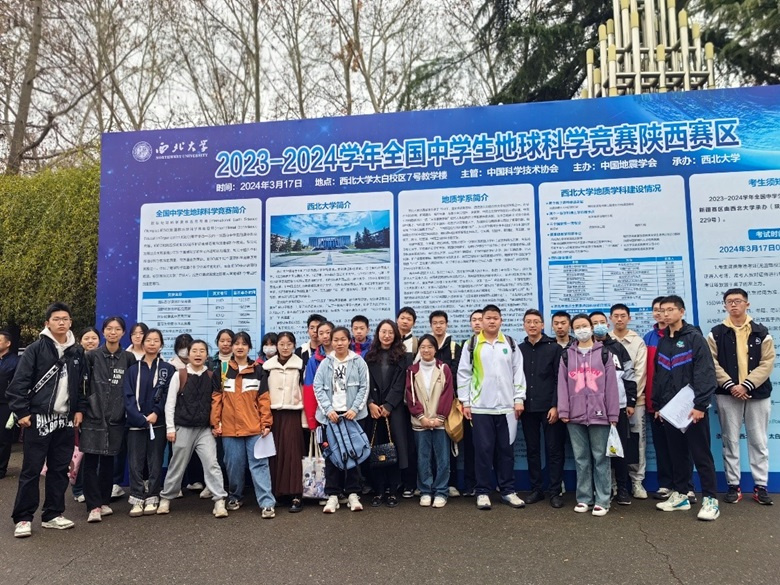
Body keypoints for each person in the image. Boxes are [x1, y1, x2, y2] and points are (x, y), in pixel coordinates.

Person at [8, 302, 88, 538]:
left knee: (60, 469)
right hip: (38, 419)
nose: (61, 322)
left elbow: (82, 385)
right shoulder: (35, 349)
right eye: (56, 319)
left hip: (65, 420)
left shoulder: (77, 352)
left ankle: (53, 514)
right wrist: (22, 412)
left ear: (71, 322)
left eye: (65, 319)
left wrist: (79, 409)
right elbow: (19, 383)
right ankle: (23, 518)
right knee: (31, 470)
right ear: (47, 323)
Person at [653, 295, 720, 521]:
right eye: (663, 310)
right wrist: (658, 405)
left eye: (671, 309)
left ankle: (710, 500)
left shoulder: (694, 338)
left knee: (701, 455)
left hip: (693, 409)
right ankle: (681, 495)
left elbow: (705, 373)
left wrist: (700, 404)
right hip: (670, 411)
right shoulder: (663, 341)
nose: (666, 314)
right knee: (677, 455)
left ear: (682, 312)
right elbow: (659, 376)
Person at [708, 288, 775, 506]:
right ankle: (733, 486)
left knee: (759, 441)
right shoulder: (716, 333)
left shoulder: (761, 332)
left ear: (747, 304)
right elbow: (711, 362)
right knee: (730, 440)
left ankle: (761, 486)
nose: (734, 305)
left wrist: (746, 385)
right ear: (725, 305)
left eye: (738, 301)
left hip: (758, 394)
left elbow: (768, 362)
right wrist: (730, 386)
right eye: (729, 301)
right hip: (728, 394)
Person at [457, 304, 526, 510]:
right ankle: (482, 492)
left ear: (501, 320)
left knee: (506, 451)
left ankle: (508, 491)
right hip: (480, 408)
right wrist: (466, 402)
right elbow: (463, 374)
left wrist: (519, 399)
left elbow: (518, 372)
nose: (492, 321)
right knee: (483, 451)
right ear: (482, 321)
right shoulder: (472, 345)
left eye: (495, 318)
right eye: (488, 318)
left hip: (507, 408)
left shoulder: (510, 344)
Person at [557, 313, 619, 517]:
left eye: (585, 326)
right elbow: (562, 385)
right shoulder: (567, 355)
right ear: (573, 331)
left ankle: (602, 499)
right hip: (574, 416)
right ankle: (584, 498)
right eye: (577, 327)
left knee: (601, 458)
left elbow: (611, 386)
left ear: (592, 328)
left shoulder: (605, 354)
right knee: (581, 459)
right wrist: (564, 410)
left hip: (600, 415)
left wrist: (613, 414)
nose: (582, 330)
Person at [158, 340, 228, 517]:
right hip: (183, 427)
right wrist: (170, 428)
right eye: (194, 351)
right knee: (177, 465)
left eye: (202, 351)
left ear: (207, 355)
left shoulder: (211, 376)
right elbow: (170, 403)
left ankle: (219, 500)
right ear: (188, 354)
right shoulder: (179, 375)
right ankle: (166, 497)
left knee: (212, 463)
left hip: (205, 430)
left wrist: (216, 424)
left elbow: (216, 403)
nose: (198, 354)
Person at [211, 332, 276, 518]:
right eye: (236, 343)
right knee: (234, 465)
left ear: (249, 347)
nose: (240, 347)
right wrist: (215, 423)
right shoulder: (222, 371)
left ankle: (267, 503)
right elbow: (216, 399)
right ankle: (235, 496)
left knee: (259, 465)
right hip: (229, 429)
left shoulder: (258, 370)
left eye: (244, 344)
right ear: (232, 347)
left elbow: (264, 399)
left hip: (254, 427)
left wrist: (266, 423)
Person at [81, 316, 136, 523]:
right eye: (109, 329)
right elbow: (83, 386)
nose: (113, 332)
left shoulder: (128, 358)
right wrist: (84, 408)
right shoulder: (92, 356)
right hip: (93, 415)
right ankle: (92, 505)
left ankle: (104, 502)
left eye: (117, 329)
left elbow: (131, 387)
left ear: (123, 333)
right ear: (103, 332)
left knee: (108, 460)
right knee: (90, 460)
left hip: (116, 417)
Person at [312, 326, 369, 513]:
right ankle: (333, 495)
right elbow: (317, 387)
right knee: (332, 456)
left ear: (349, 341)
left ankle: (353, 493)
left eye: (343, 339)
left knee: (354, 453)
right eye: (335, 340)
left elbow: (364, 387)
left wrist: (355, 409)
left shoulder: (358, 361)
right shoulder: (325, 363)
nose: (339, 343)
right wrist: (328, 410)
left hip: (352, 416)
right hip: (331, 417)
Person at [643, 296, 691, 501]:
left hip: (681, 402)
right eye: (657, 310)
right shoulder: (648, 338)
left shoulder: (686, 336)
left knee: (682, 446)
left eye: (665, 309)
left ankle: (686, 487)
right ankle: (666, 484)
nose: (661, 313)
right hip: (656, 400)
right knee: (661, 445)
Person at [123, 329, 174, 517]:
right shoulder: (132, 369)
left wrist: (156, 413)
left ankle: (152, 495)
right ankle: (137, 497)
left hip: (158, 423)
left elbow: (168, 394)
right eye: (148, 340)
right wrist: (138, 417)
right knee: (135, 462)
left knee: (155, 460)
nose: (152, 344)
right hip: (135, 423)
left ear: (161, 344)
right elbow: (127, 396)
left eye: (156, 340)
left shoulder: (167, 369)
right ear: (142, 343)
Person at [518, 309, 565, 508]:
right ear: (524, 325)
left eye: (536, 322)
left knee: (554, 450)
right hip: (527, 408)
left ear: (543, 325)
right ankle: (536, 490)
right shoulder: (519, 349)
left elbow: (559, 379)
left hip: (549, 408)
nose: (532, 325)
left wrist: (556, 405)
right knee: (532, 450)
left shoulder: (554, 348)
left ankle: (555, 491)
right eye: (528, 322)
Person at [590, 311, 637, 506]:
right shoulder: (584, 348)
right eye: (594, 323)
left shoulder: (617, 347)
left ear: (607, 324)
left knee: (619, 448)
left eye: (602, 322)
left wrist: (631, 401)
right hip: (593, 408)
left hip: (618, 406)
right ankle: (604, 488)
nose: (599, 326)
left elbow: (629, 374)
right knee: (598, 451)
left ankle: (622, 488)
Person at [364, 320, 410, 507]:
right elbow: (364, 382)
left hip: (394, 410)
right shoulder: (369, 356)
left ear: (395, 335)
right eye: (383, 332)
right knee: (376, 449)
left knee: (393, 449)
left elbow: (401, 382)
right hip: (374, 410)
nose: (387, 335)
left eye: (390, 332)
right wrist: (370, 403)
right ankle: (378, 490)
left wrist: (389, 405)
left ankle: (392, 490)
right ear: (378, 334)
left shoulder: (402, 356)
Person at [405, 334, 454, 508]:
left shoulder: (443, 368)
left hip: (440, 422)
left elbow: (448, 394)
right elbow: (410, 396)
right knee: (423, 458)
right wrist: (421, 417)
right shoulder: (412, 370)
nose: (426, 350)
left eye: (430, 347)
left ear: (435, 349)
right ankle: (425, 490)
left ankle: (441, 491)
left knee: (443, 459)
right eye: (423, 347)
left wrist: (439, 417)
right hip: (420, 423)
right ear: (419, 349)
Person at [262, 331, 306, 512]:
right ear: (276, 346)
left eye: (289, 344)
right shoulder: (267, 367)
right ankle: (278, 493)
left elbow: (305, 392)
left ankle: (296, 494)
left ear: (294, 345)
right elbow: (262, 395)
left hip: (294, 413)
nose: (285, 347)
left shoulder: (301, 365)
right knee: (275, 454)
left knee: (293, 453)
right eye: (281, 344)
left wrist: (307, 420)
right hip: (273, 414)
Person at [609, 304, 649, 500]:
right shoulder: (604, 340)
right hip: (610, 405)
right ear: (610, 318)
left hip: (634, 402)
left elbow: (639, 373)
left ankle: (636, 481)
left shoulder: (637, 342)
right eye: (615, 316)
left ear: (629, 318)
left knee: (636, 441)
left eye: (623, 316)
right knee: (611, 443)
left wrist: (630, 400)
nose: (619, 319)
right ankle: (613, 483)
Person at [428, 310, 463, 497]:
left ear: (447, 324)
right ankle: (430, 483)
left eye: (441, 322)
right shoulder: (425, 346)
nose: (438, 326)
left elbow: (457, 374)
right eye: (435, 323)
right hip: (428, 403)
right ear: (431, 325)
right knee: (430, 445)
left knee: (449, 442)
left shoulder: (455, 347)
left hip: (448, 401)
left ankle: (451, 483)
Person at [115, 324, 146, 499]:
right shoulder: (124, 355)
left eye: (141, 333)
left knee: (144, 450)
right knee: (119, 448)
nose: (138, 336)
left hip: (144, 412)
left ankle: (145, 482)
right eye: (135, 333)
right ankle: (115, 483)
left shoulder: (155, 357)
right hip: (123, 409)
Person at [72, 327, 100, 503]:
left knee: (94, 454)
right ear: (80, 340)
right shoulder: (75, 359)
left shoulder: (101, 358)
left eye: (94, 338)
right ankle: (78, 488)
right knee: (80, 451)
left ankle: (91, 488)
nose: (90, 341)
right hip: (80, 411)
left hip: (98, 412)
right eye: (86, 338)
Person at [302, 321, 334, 430]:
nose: (325, 336)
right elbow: (310, 390)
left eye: (328, 332)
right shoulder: (313, 360)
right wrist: (312, 421)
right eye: (321, 333)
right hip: (323, 414)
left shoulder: (347, 356)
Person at [0, 330, 20, 480]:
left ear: (8, 343)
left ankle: (1, 469)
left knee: (3, 437)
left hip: (6, 404)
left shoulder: (16, 361)